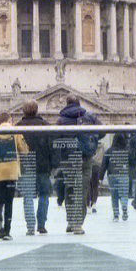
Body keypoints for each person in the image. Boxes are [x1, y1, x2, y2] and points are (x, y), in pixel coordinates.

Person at [52, 99, 101, 235]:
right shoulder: (87, 117)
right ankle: (78, 224)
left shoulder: (61, 120)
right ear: (79, 103)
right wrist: (93, 140)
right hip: (85, 157)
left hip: (69, 159)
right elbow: (102, 131)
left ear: (66, 103)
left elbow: (56, 139)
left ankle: (70, 221)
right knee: (82, 189)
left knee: (70, 189)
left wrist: (58, 159)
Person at [0, 115, 29, 239]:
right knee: (9, 201)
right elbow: (24, 150)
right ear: (10, 120)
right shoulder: (15, 132)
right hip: (11, 172)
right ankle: (7, 231)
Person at [18, 100, 53, 235]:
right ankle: (41, 224)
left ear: (23, 111)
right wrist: (53, 165)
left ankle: (30, 226)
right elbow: (51, 147)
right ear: (37, 110)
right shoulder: (45, 125)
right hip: (43, 166)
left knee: (27, 196)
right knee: (44, 195)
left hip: (25, 166)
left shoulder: (17, 127)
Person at [100, 135, 131, 221]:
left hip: (112, 175)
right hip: (124, 174)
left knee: (114, 195)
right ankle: (124, 208)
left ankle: (116, 215)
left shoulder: (109, 151)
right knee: (124, 193)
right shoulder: (126, 151)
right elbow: (131, 162)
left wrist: (100, 177)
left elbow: (104, 165)